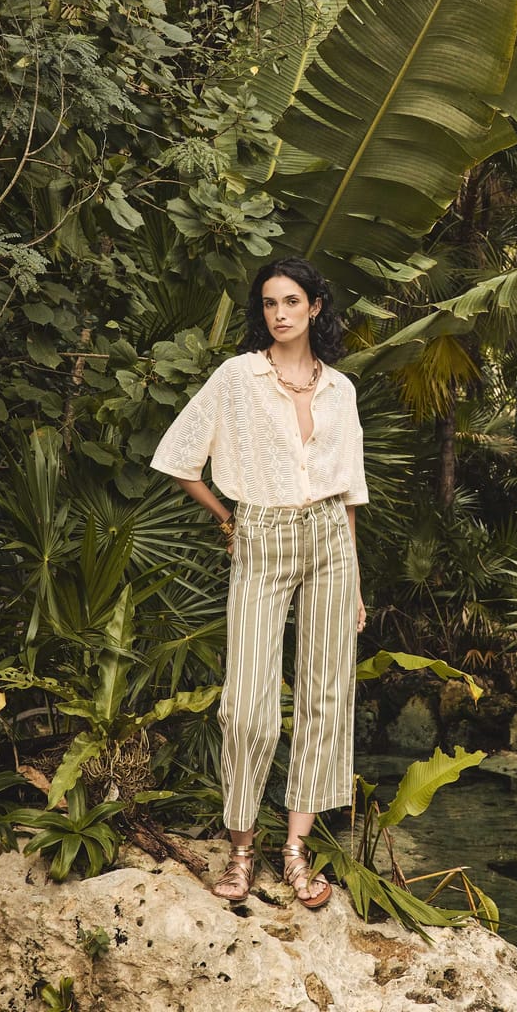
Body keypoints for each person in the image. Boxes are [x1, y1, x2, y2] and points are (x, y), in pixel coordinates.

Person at [150, 257, 368, 909]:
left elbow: (350, 493)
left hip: (331, 540)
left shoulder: (341, 390)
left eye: (291, 301)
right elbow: (180, 458)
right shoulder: (237, 378)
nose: (279, 313)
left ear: (315, 307)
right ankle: (242, 851)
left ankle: (296, 851)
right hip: (262, 536)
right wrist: (230, 520)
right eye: (270, 303)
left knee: (326, 697)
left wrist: (356, 585)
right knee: (246, 706)